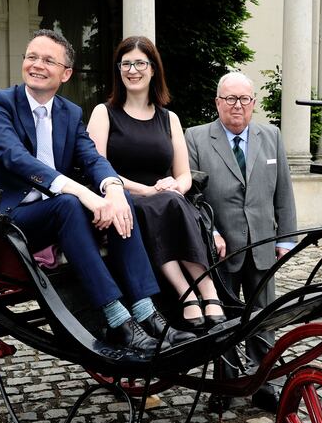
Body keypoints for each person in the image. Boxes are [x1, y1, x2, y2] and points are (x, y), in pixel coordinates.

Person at [0, 29, 194, 352]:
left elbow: (91, 157)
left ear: (65, 73)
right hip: (8, 219)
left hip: (58, 216)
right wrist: (87, 195)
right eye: (32, 57)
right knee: (69, 203)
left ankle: (147, 313)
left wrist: (114, 191)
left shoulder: (70, 112)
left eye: (48, 60)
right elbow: (16, 158)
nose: (37, 65)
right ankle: (116, 318)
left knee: (121, 202)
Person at [87, 36, 225, 330]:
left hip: (166, 198)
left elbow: (184, 175)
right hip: (122, 198)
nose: (132, 70)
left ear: (153, 70)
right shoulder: (104, 113)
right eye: (126, 64)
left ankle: (205, 290)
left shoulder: (169, 118)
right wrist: (145, 190)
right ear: (118, 70)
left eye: (140, 63)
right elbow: (95, 168)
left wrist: (175, 186)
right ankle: (190, 292)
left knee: (172, 201)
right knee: (159, 205)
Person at [185, 72, 297, 412]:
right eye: (230, 99)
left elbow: (284, 193)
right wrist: (212, 232)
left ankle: (264, 383)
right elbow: (191, 198)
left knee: (264, 316)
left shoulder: (271, 135)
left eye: (244, 99)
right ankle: (225, 385)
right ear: (217, 102)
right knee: (225, 322)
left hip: (263, 244)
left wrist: (287, 241)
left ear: (253, 103)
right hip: (221, 248)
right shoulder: (196, 138)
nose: (238, 106)